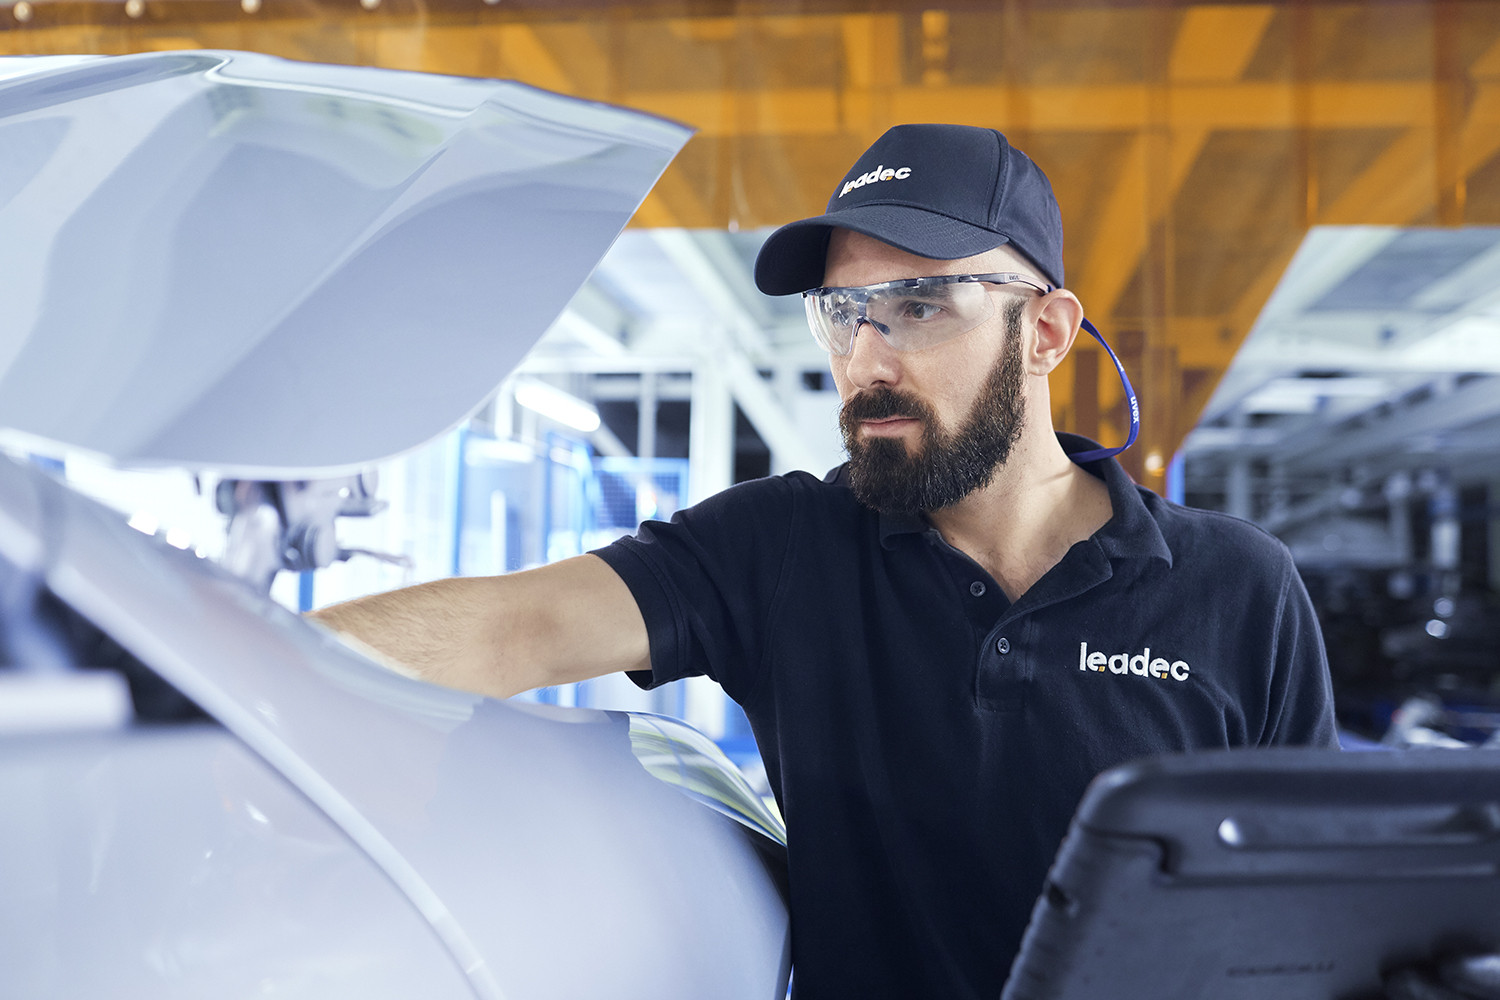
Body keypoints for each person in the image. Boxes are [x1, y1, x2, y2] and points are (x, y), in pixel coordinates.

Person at [311, 123, 1340, 999]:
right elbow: (513, 626)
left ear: (1047, 331)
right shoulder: (783, 549)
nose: (868, 361)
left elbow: (1316, 913)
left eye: (920, 305)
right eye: (842, 313)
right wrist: (197, 669)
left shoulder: (1236, 588)